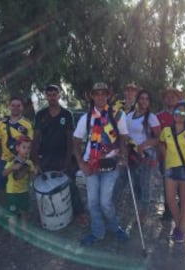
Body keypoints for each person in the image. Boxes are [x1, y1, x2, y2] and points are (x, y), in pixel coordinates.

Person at [74, 82, 129, 246]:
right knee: (92, 202)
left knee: (105, 202)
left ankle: (114, 226)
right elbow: (76, 141)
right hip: (91, 165)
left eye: (103, 93)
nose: (100, 96)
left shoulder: (117, 115)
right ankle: (98, 232)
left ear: (108, 96)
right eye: (96, 93)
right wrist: (81, 163)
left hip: (111, 164)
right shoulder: (86, 118)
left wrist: (123, 155)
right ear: (92, 96)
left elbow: (123, 137)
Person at [32, 84, 88, 227]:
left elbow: (70, 139)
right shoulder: (40, 115)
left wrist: (68, 160)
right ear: (46, 96)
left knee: (70, 184)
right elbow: (36, 138)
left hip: (63, 155)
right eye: (49, 95)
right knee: (43, 185)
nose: (52, 97)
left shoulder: (66, 114)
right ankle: (44, 213)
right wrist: (36, 161)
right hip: (45, 156)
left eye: (54, 94)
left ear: (59, 95)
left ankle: (80, 213)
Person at [159, 101, 185, 243]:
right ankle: (180, 227)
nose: (179, 115)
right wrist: (165, 153)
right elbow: (161, 142)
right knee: (170, 199)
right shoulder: (166, 130)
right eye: (176, 112)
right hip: (170, 168)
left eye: (182, 113)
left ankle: (180, 230)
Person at [0, 96, 34, 207]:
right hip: (5, 160)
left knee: (19, 185)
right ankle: (4, 208)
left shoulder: (27, 124)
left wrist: (29, 162)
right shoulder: (1, 124)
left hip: (21, 160)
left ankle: (20, 209)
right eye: (13, 105)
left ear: (22, 107)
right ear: (9, 106)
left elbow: (30, 144)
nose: (15, 108)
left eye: (19, 105)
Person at [125, 89, 160, 223]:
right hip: (132, 155)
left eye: (146, 99)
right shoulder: (129, 116)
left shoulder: (151, 117)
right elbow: (125, 134)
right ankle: (139, 207)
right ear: (137, 100)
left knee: (145, 185)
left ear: (149, 101)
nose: (144, 101)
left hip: (146, 155)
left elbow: (158, 138)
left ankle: (143, 214)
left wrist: (144, 145)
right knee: (135, 185)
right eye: (141, 98)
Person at [156, 88, 185, 221]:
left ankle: (181, 211)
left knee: (182, 184)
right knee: (167, 184)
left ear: (179, 99)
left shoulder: (184, 115)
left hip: (183, 158)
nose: (170, 99)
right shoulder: (159, 116)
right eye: (167, 97)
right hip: (165, 157)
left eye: (173, 97)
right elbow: (159, 139)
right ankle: (168, 210)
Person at [3, 135, 37, 235]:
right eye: (24, 147)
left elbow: (31, 176)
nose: (26, 150)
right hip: (12, 192)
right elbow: (4, 173)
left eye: (29, 148)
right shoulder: (12, 161)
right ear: (17, 148)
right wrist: (13, 168)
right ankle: (13, 234)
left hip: (24, 191)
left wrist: (33, 173)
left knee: (24, 213)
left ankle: (24, 233)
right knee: (12, 214)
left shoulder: (29, 162)